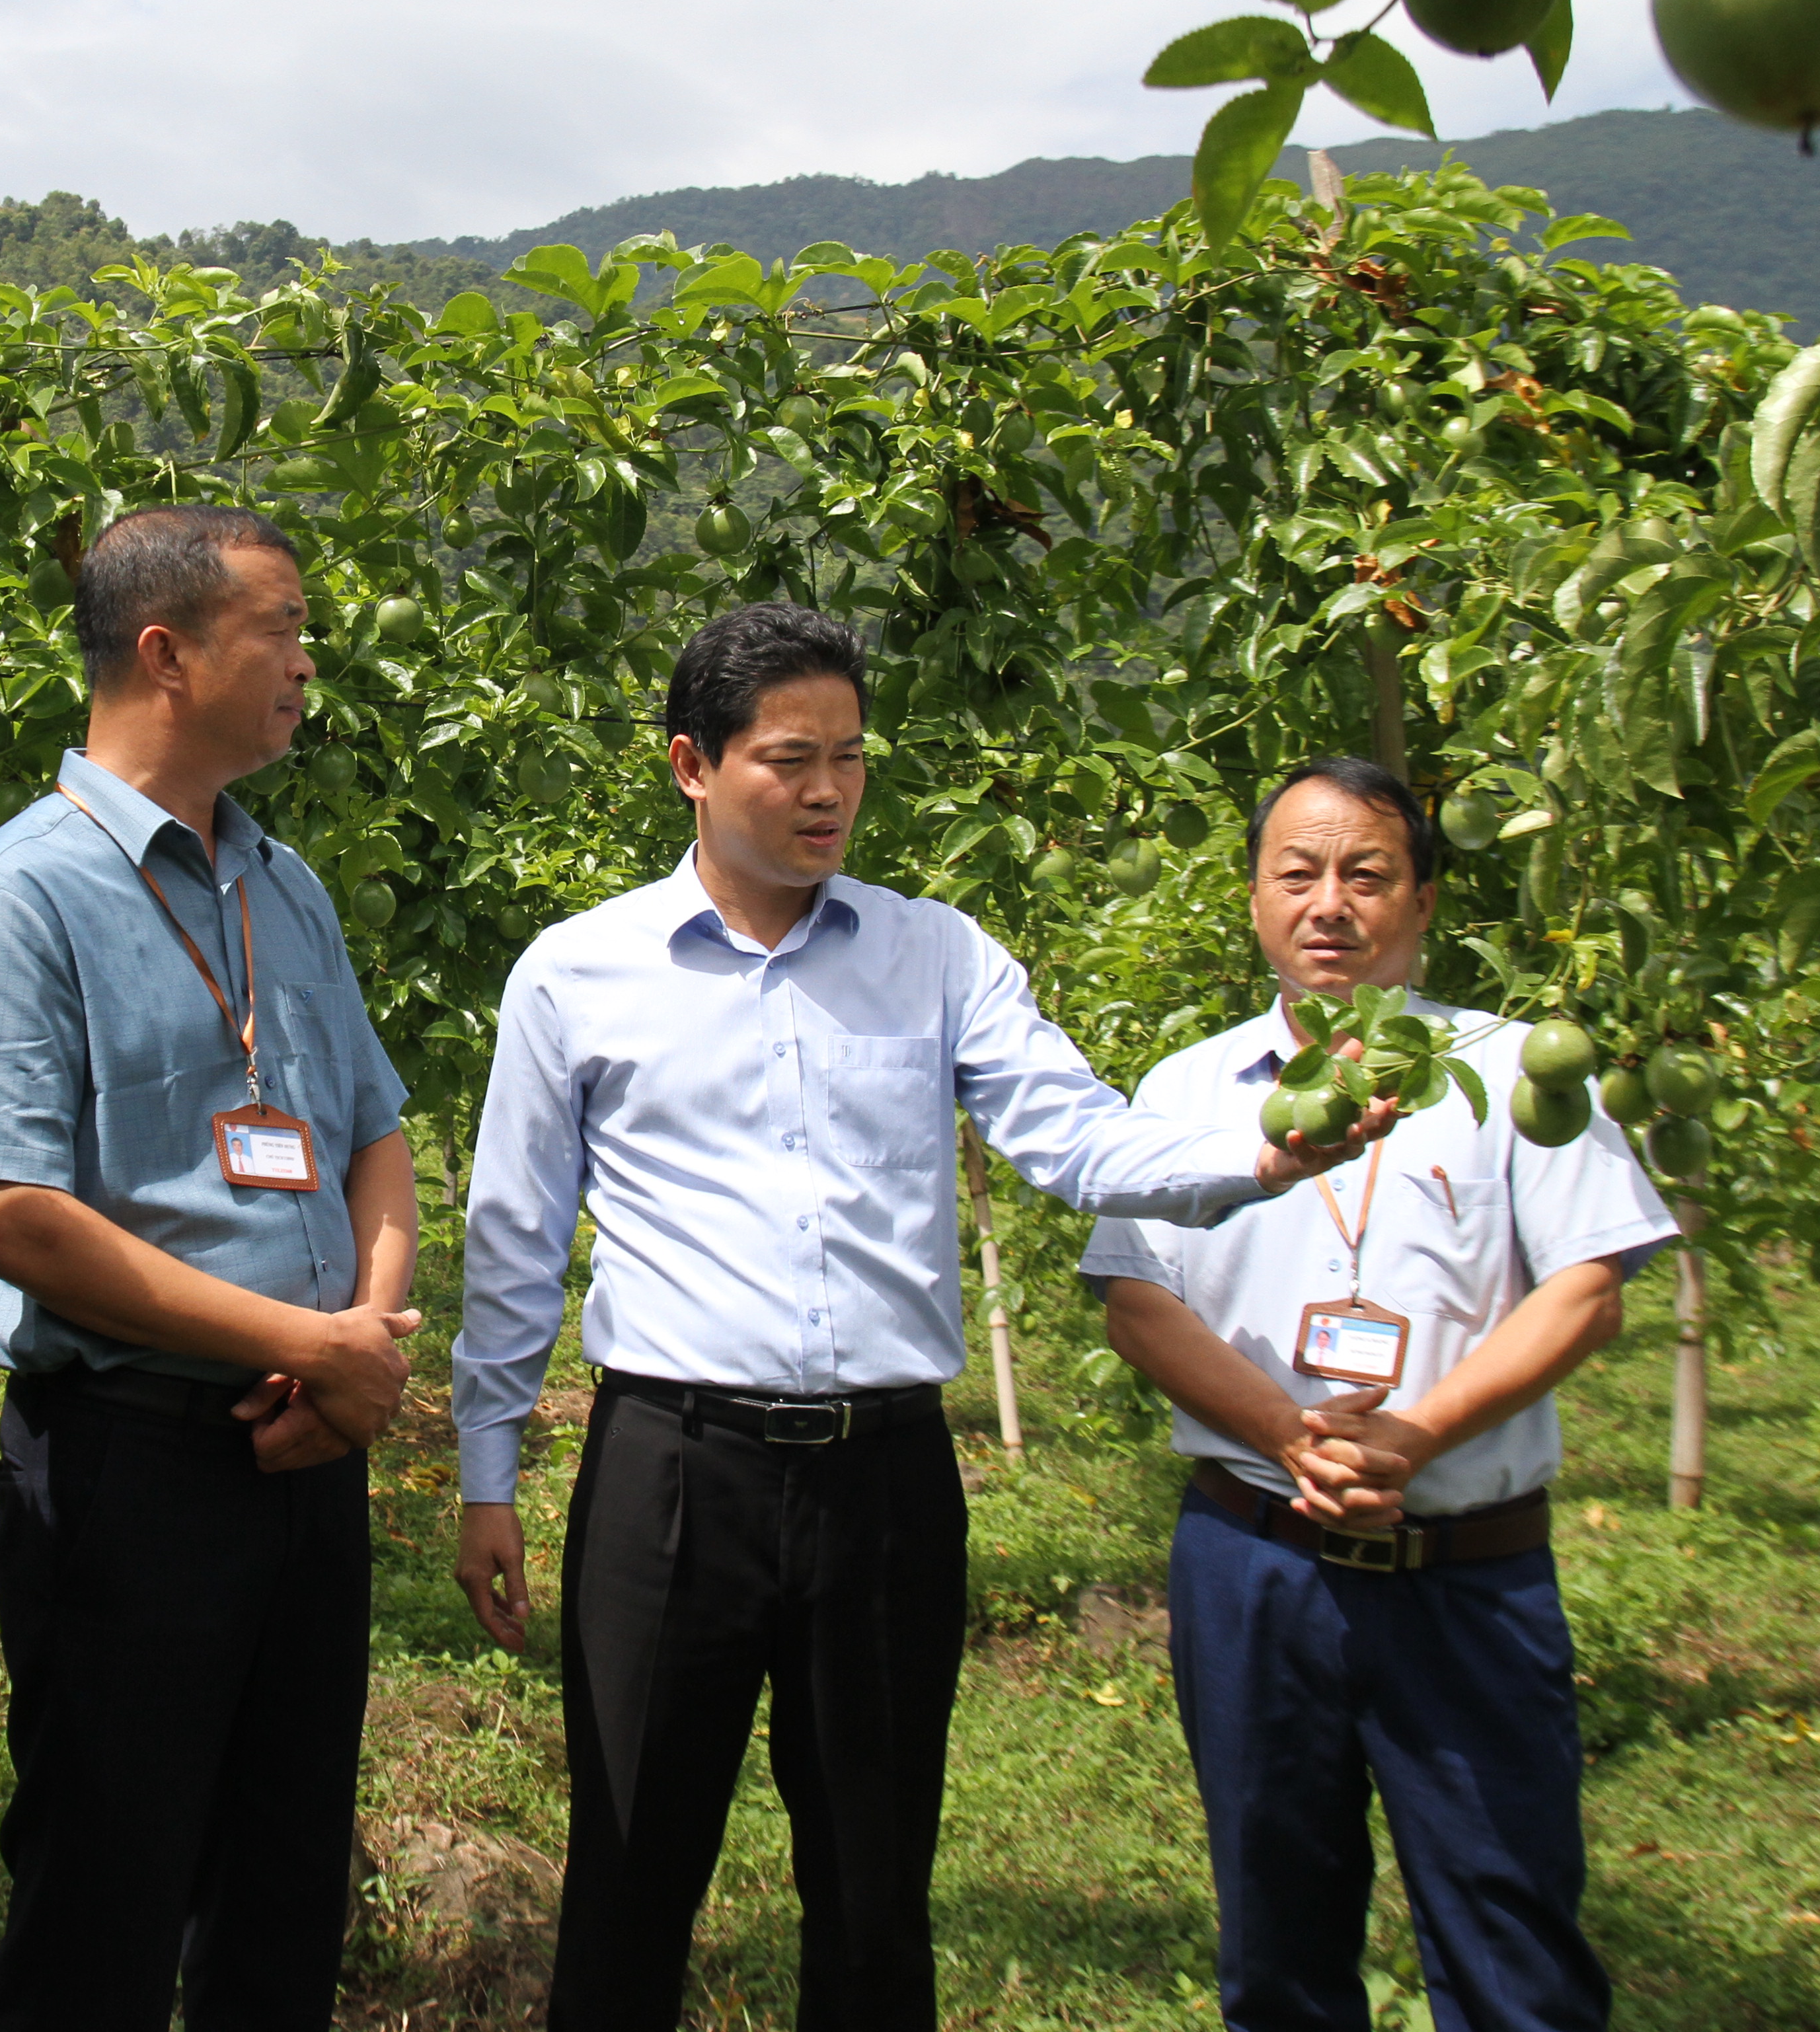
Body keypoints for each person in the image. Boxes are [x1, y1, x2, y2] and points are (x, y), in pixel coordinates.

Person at [451, 603, 1394, 2032]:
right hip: (671, 1471)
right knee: (632, 1866)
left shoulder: (937, 955)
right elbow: (516, 1236)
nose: (828, 791)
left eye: (849, 757)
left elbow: (1077, 1136)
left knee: (876, 1884)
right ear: (692, 765)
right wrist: (488, 1473)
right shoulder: (578, 972)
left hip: (883, 1480)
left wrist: (1257, 1157)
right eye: (790, 760)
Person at [0, 504, 423, 2032]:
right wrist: (310, 1347)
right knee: (104, 1908)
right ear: (166, 653)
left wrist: (366, 1342)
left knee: (285, 1898)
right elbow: (20, 1219)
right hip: (135, 1470)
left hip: (307, 1462)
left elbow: (374, 1133)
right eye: (282, 630)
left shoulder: (284, 884)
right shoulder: (22, 897)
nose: (309, 664)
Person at [1084, 757, 1677, 2032]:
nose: (1329, 904)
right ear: (1254, 897)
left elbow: (1586, 1288)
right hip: (1256, 1556)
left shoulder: (1517, 1073)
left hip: (1462, 1565)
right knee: (1277, 1938)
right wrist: (1286, 1433)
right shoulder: (1188, 1091)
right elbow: (1139, 1302)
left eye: (1367, 874)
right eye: (1297, 873)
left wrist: (1411, 1435)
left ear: (1423, 901)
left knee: (1511, 1941)